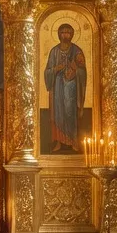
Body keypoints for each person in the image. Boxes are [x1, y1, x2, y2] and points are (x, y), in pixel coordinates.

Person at [43, 23, 87, 153]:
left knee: (70, 112)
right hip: (57, 88)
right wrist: (56, 68)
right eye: (63, 32)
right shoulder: (54, 51)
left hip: (72, 87)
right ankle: (58, 141)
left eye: (68, 32)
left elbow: (83, 71)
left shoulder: (77, 51)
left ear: (72, 34)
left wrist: (76, 69)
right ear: (59, 34)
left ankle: (73, 141)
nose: (65, 35)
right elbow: (47, 72)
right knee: (58, 113)